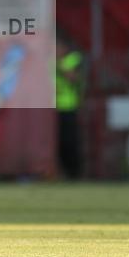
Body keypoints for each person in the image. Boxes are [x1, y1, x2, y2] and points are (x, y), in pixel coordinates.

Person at [55, 38, 84, 179]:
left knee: (70, 141)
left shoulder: (73, 59)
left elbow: (74, 78)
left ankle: (74, 173)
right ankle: (59, 172)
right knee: (57, 142)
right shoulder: (50, 62)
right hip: (51, 109)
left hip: (68, 107)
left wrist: (61, 67)